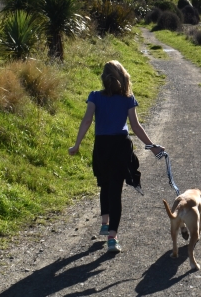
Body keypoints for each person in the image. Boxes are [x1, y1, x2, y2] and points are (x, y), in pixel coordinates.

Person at [69, 60, 164, 253]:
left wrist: (77, 144)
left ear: (104, 79)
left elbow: (87, 120)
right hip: (121, 147)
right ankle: (112, 237)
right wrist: (152, 147)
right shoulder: (128, 98)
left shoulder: (94, 97)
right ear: (123, 77)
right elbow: (135, 126)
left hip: (102, 147)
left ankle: (105, 222)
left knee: (104, 184)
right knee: (115, 191)